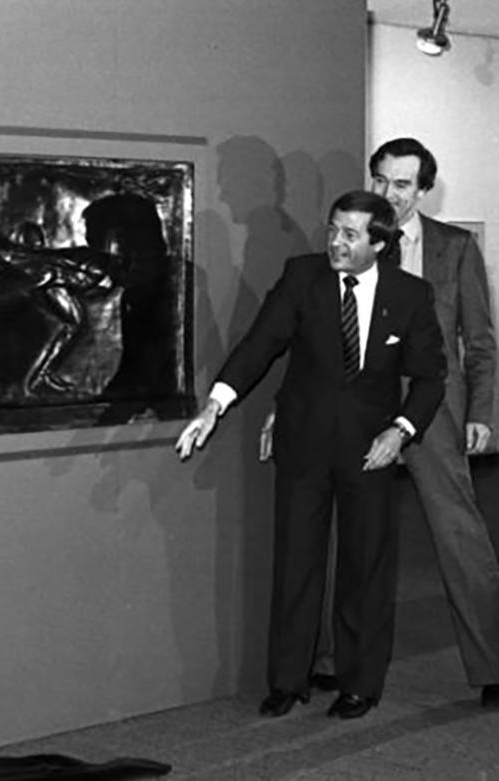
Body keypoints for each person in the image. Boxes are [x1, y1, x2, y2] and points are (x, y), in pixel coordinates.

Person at [176, 190, 447, 720]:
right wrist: (216, 403)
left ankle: (358, 684)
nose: (336, 242)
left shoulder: (411, 295)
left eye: (350, 234)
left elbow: (431, 377)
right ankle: (287, 680)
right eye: (332, 229)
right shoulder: (302, 277)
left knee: (364, 569)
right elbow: (260, 345)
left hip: (371, 451)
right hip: (303, 446)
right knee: (297, 563)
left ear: (379, 241)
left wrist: (401, 432)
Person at [286, 138, 499, 708]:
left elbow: (479, 341)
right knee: (345, 534)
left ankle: (493, 665)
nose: (388, 193)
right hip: (355, 409)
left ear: (423, 189)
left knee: (460, 535)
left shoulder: (455, 249)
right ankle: (334, 660)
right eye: (380, 180)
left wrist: (481, 411)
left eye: (401, 184)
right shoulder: (348, 241)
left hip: (432, 412)